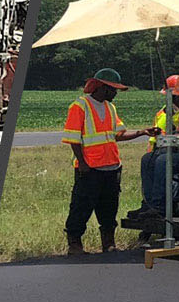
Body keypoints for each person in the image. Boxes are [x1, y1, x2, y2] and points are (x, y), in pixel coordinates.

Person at [61, 69, 146, 255]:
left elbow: (118, 135)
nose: (115, 93)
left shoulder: (110, 108)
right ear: (102, 87)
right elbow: (73, 139)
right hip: (90, 168)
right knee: (81, 206)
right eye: (113, 89)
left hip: (111, 167)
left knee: (109, 208)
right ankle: (74, 244)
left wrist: (142, 132)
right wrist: (82, 163)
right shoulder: (80, 106)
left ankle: (108, 243)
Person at [131, 73, 179, 218]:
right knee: (148, 159)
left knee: (163, 162)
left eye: (177, 96)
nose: (175, 99)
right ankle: (149, 204)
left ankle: (160, 207)